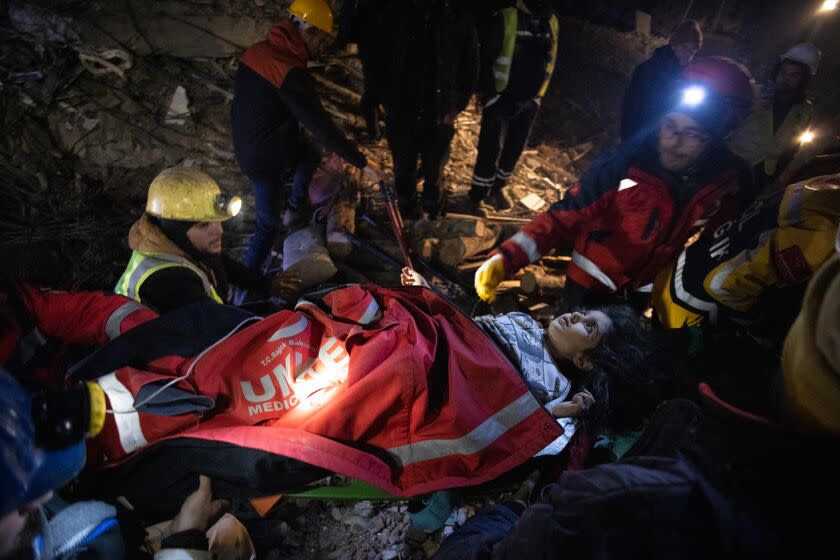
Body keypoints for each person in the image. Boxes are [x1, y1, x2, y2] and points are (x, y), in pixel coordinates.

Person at [474, 57, 755, 310]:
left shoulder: (724, 183)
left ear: (716, 138)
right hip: (587, 286)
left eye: (691, 133)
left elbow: (717, 247)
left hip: (641, 294)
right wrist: (506, 259)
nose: (673, 141)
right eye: (670, 126)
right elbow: (561, 218)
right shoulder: (626, 165)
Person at [402, 267, 657, 432]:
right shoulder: (523, 322)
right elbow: (466, 328)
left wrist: (559, 413)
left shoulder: (556, 386)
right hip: (434, 345)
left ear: (583, 361)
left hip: (441, 384)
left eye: (588, 327)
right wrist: (429, 294)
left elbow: (516, 425)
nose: (575, 316)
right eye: (582, 313)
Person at [231, 0, 382, 269]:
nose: (321, 47)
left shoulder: (259, 51)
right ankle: (246, 288)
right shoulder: (286, 68)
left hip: (252, 141)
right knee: (267, 224)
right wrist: (361, 162)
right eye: (321, 40)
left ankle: (294, 210)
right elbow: (320, 125)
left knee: (309, 153)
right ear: (308, 32)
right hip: (263, 157)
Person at [653, 172, 840, 331]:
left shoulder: (822, 189)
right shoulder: (823, 239)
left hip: (673, 278)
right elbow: (721, 285)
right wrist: (759, 328)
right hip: (687, 313)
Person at [114, 167, 299, 314]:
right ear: (175, 231)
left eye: (218, 221)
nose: (219, 230)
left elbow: (222, 264)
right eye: (203, 225)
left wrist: (267, 285)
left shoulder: (184, 245)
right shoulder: (165, 281)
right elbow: (220, 325)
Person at [365, 0, 478, 219]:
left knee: (434, 169)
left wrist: (456, 107)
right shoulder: (394, 13)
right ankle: (407, 212)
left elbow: (470, 67)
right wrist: (383, 99)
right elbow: (377, 57)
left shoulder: (458, 17)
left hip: (439, 112)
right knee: (403, 167)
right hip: (401, 109)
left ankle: (431, 212)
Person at [468, 0, 558, 213]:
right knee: (490, 148)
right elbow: (487, 57)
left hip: (529, 98)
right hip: (502, 96)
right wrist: (490, 94)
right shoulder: (507, 17)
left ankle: (499, 188)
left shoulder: (551, 21)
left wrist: (538, 96)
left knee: (514, 148)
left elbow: (551, 59)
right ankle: (477, 195)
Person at [727, 42, 820, 188]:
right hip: (733, 163)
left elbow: (794, 146)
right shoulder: (755, 92)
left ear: (804, 79)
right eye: (783, 72)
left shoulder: (804, 109)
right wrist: (749, 108)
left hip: (765, 173)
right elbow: (725, 120)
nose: (785, 78)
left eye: (794, 74)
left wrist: (780, 175)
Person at [620, 20, 703, 142]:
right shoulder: (647, 70)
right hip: (640, 138)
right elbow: (631, 108)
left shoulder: (688, 78)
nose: (688, 54)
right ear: (674, 45)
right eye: (684, 46)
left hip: (666, 142)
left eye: (693, 50)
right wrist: (628, 141)